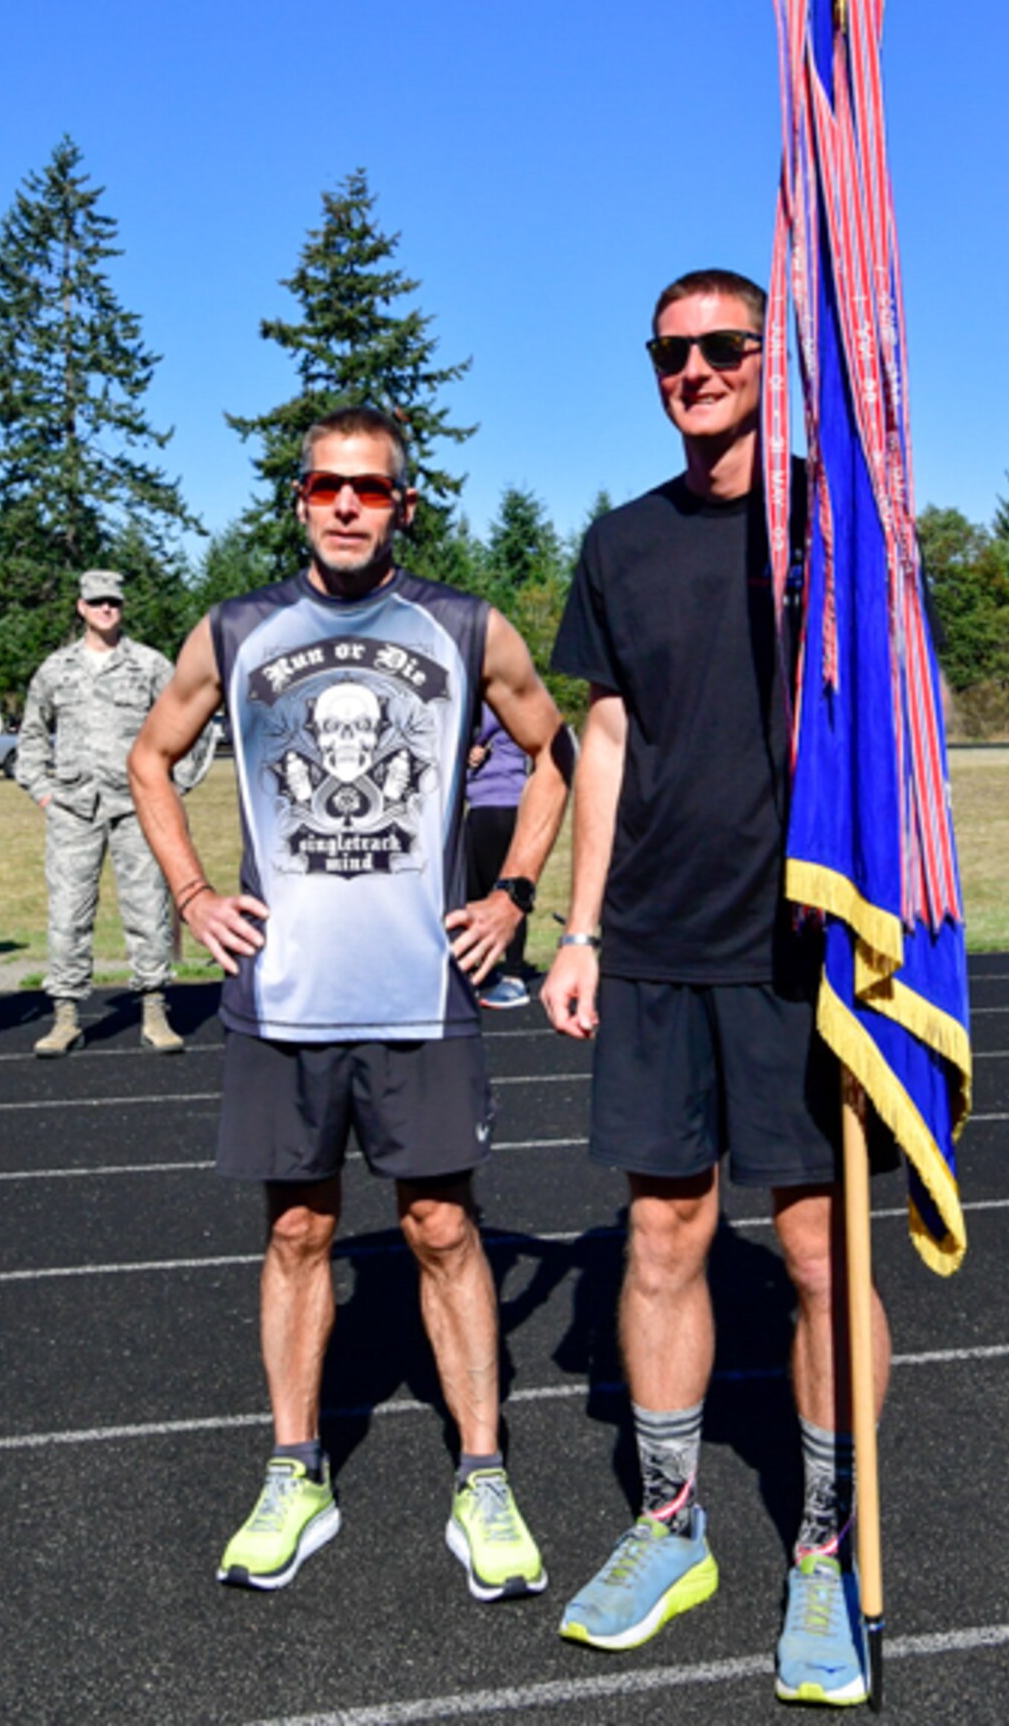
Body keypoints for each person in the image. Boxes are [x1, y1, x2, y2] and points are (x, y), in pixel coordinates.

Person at [129, 405, 573, 1601]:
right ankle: (294, 1469)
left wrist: (515, 893)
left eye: (367, 489)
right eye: (324, 485)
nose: (342, 505)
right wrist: (191, 890)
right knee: (297, 1233)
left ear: (403, 505)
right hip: (283, 995)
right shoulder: (234, 628)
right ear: (297, 498)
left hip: (422, 993)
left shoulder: (463, 623)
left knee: (441, 1229)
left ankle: (482, 1474)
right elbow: (148, 755)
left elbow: (555, 745)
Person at [543, 270, 893, 1705]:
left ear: (769, 358)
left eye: (723, 348)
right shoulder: (620, 544)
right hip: (658, 945)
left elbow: (890, 711)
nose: (694, 369)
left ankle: (823, 1543)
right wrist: (577, 931)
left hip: (797, 946)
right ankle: (671, 1524)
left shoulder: (831, 521)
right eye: (672, 353)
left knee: (817, 1254)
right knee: (664, 1239)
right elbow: (605, 738)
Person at [16, 571, 212, 1056]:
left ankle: (153, 1008)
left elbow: (196, 725)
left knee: (148, 908)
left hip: (136, 809)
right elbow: (32, 737)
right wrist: (44, 792)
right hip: (73, 809)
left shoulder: (149, 665)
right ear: (81, 607)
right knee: (68, 913)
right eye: (97, 602)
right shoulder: (56, 669)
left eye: (114, 603)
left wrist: (171, 787)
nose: (107, 609)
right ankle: (65, 1014)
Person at [465, 702, 533, 1008]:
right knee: (472, 892)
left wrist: (472, 746)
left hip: (502, 803)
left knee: (505, 890)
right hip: (479, 805)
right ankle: (485, 967)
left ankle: (514, 976)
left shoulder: (496, 699)